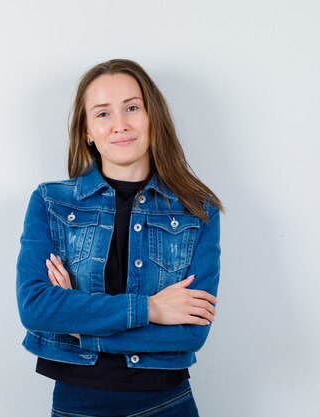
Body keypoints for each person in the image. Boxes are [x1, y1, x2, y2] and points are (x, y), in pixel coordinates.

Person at [16, 59, 223, 417]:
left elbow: (191, 331)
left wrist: (82, 329)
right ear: (86, 131)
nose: (120, 125)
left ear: (152, 117)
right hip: (77, 404)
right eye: (102, 114)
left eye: (131, 108)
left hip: (166, 403)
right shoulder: (50, 202)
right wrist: (152, 308)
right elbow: (35, 307)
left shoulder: (197, 210)